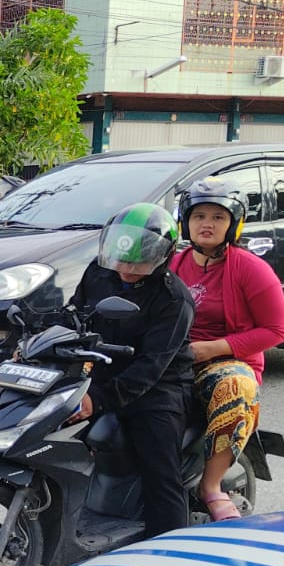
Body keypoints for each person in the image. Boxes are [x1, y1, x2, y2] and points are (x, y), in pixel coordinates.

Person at [66, 202, 196, 536]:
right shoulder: (98, 273)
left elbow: (152, 366)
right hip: (98, 375)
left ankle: (170, 547)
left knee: (161, 475)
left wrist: (99, 399)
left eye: (138, 263)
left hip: (156, 390)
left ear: (162, 256)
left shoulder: (173, 299)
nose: (126, 269)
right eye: (121, 259)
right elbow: (75, 314)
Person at [169, 178, 284, 520]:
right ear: (185, 222)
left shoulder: (251, 269)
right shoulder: (171, 265)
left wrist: (214, 348)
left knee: (236, 388)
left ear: (233, 224)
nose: (207, 224)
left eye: (218, 217)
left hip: (223, 362)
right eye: (199, 216)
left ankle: (211, 485)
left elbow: (277, 329)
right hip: (171, 356)